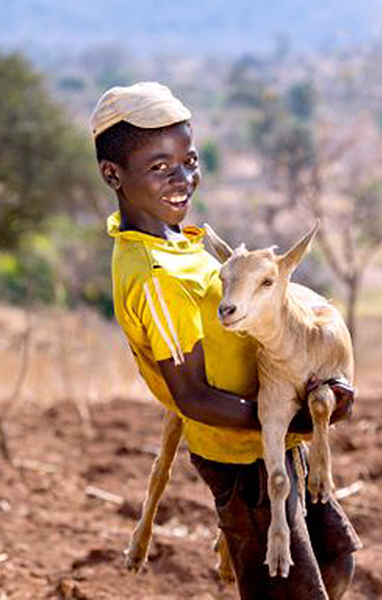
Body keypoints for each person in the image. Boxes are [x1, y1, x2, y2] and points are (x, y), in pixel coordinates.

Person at [91, 81, 361, 600]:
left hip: (274, 435)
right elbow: (191, 394)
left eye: (190, 161)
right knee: (287, 589)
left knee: (334, 558)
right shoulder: (153, 275)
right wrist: (301, 419)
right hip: (242, 455)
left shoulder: (180, 243)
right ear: (113, 175)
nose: (183, 178)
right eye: (160, 167)